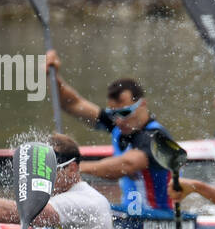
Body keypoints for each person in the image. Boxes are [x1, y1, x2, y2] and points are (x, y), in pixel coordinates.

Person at [45, 50, 176, 216]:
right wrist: (53, 76)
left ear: (142, 104)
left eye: (124, 113)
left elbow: (125, 166)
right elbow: (71, 104)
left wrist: (73, 168)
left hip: (159, 218)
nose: (119, 121)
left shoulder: (156, 137)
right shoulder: (119, 124)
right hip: (132, 215)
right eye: (114, 114)